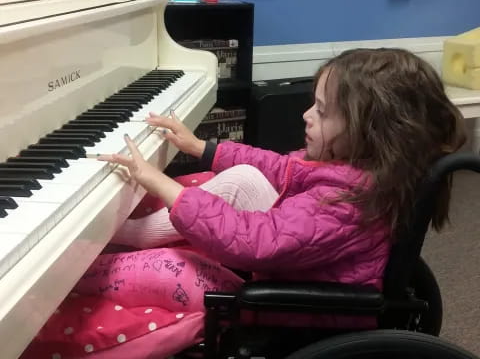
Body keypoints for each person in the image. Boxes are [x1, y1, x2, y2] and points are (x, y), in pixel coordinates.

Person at [20, 48, 466, 359]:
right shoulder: (362, 172)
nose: (306, 115)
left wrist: (161, 182)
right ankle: (128, 234)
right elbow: (277, 168)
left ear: (376, 132)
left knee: (175, 267)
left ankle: (73, 261)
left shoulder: (345, 200)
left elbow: (251, 244)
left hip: (281, 302)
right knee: (248, 176)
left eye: (323, 111)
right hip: (296, 264)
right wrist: (203, 149)